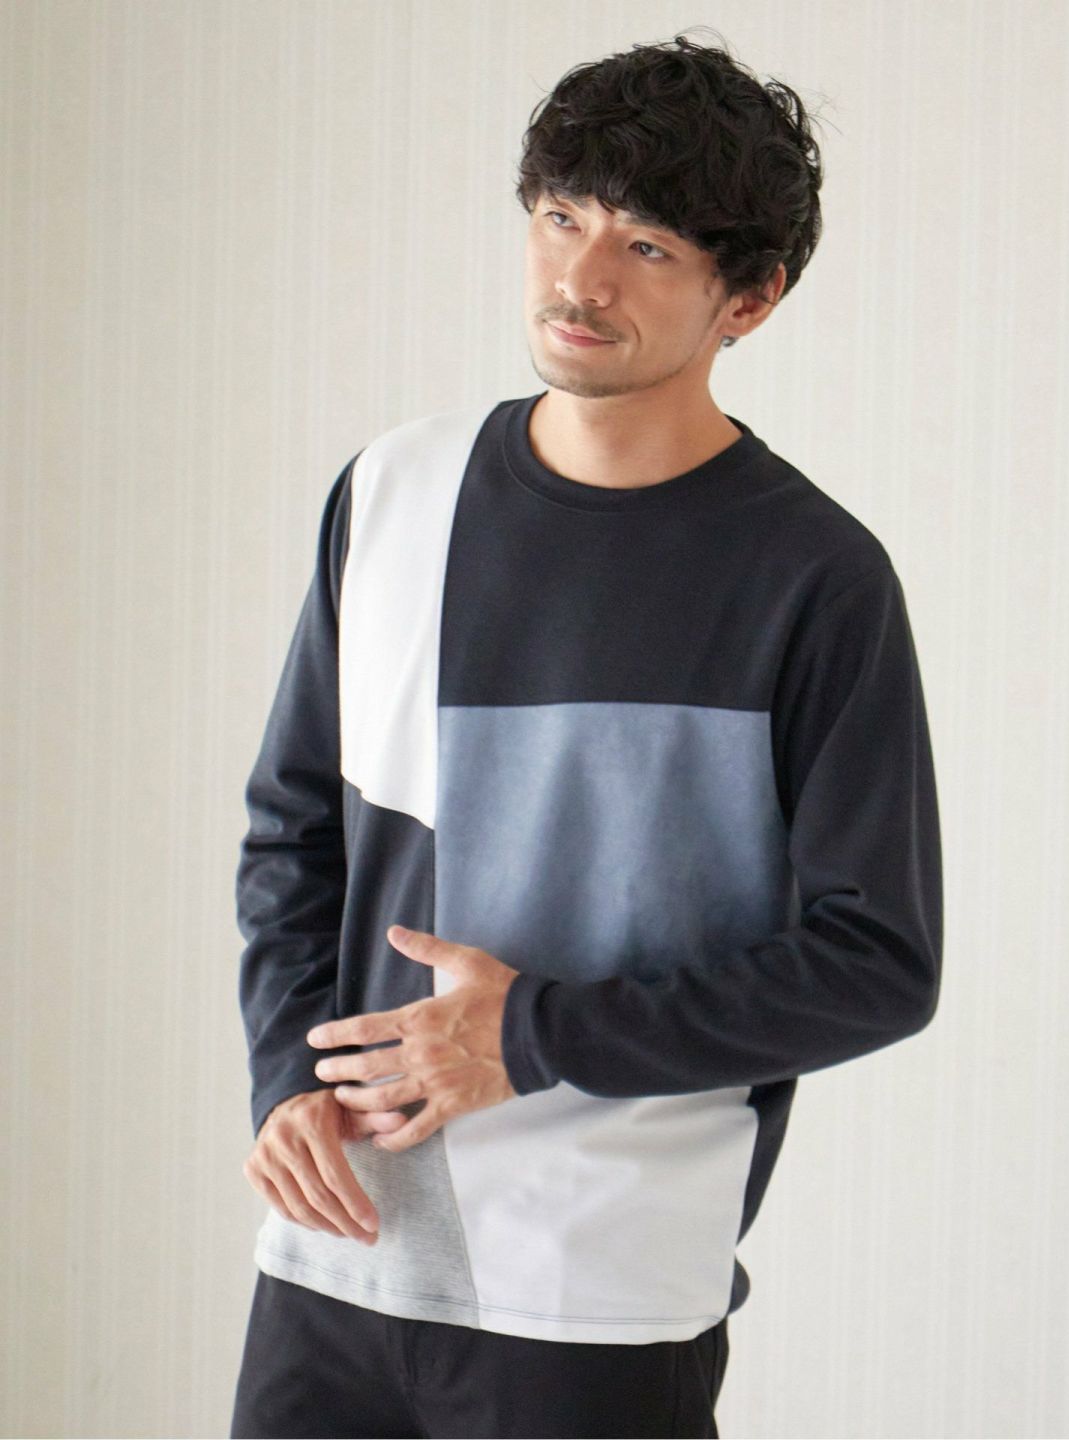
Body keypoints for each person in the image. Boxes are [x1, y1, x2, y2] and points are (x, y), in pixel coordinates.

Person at [229, 30, 942, 1440]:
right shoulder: (392, 491)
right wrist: (284, 1083)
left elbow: (879, 963)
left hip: (595, 1298)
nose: (581, 278)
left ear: (752, 299)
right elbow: (294, 832)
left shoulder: (814, 580)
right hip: (336, 1258)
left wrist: (533, 1034)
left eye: (649, 247)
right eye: (562, 217)